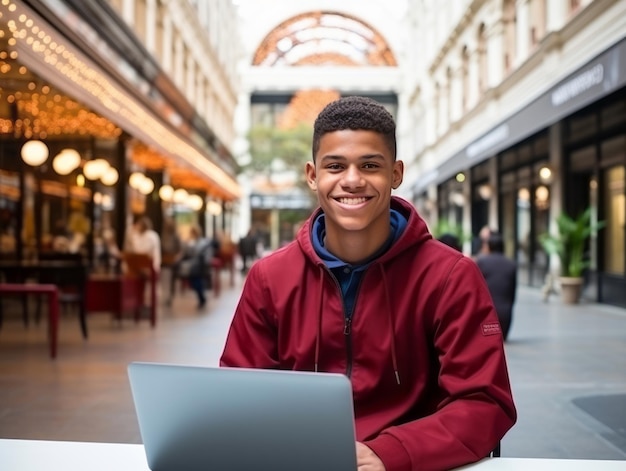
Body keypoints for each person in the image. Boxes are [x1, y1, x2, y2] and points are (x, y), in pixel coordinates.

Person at [220, 96, 516, 470]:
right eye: (336, 166)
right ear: (313, 175)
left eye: (370, 165)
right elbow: (238, 393)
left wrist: (389, 452)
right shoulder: (270, 277)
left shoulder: (451, 277)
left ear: (395, 174)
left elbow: (485, 402)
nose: (352, 180)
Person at [476, 232, 517, 341]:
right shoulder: (511, 264)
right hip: (506, 314)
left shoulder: (482, 262)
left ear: (489, 246)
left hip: (488, 315)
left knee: (490, 339)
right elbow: (512, 293)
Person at [178, 225, 213, 310]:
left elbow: (206, 255)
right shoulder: (191, 242)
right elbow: (188, 253)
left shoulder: (203, 242)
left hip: (200, 266)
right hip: (194, 266)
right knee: (194, 282)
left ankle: (202, 298)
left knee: (198, 282)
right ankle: (201, 298)